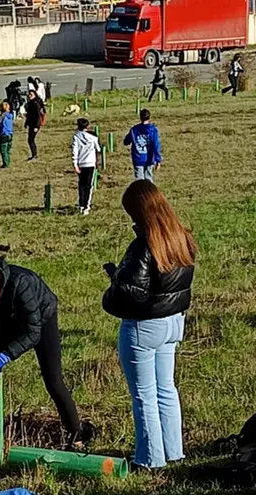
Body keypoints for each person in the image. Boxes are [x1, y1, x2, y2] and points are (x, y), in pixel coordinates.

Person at [102, 180, 196, 470]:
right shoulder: (181, 238)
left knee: (144, 395)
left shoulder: (144, 244)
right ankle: (174, 451)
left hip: (144, 327)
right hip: (173, 322)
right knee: (166, 389)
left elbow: (130, 293)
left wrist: (114, 284)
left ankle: (150, 459)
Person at [0, 256, 87, 447]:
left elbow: (33, 332)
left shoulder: (22, 283)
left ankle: (77, 435)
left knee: (53, 379)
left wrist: (5, 356)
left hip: (40, 320)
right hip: (7, 321)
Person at [71, 118, 100, 216]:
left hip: (81, 163)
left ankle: (81, 205)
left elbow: (74, 151)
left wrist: (75, 164)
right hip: (90, 163)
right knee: (89, 186)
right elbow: (98, 149)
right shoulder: (93, 137)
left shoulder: (76, 137)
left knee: (81, 185)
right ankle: (87, 206)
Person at [123, 109, 163, 181]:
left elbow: (126, 141)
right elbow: (156, 145)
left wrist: (127, 141)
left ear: (140, 117)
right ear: (149, 117)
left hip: (138, 158)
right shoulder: (153, 130)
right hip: (149, 158)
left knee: (139, 181)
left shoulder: (134, 129)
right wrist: (158, 160)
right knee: (149, 178)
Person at [24, 90, 44, 161]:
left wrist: (36, 126)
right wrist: (26, 123)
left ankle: (34, 155)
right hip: (31, 124)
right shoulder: (30, 103)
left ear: (35, 95)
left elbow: (38, 115)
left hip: (35, 124)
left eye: (31, 94)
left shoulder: (36, 103)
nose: (29, 95)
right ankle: (33, 155)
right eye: (29, 94)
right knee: (30, 140)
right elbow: (29, 115)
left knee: (31, 140)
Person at [0, 101, 15, 169]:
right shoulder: (10, 115)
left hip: (4, 133)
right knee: (7, 149)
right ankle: (7, 161)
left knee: (3, 149)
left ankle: (6, 163)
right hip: (10, 133)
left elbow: (0, 122)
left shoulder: (3, 114)